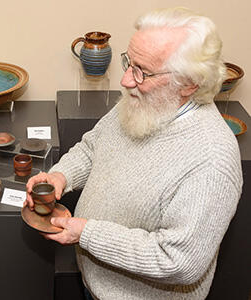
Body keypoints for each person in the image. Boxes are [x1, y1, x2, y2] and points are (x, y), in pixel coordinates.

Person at [26, 7, 242, 300]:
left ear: (189, 83)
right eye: (130, 63)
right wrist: (60, 176)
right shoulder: (144, 100)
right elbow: (93, 147)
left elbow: (178, 261)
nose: (126, 80)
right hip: (97, 285)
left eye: (143, 72)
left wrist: (86, 234)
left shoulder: (211, 161)